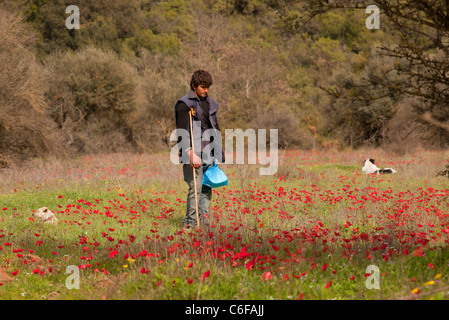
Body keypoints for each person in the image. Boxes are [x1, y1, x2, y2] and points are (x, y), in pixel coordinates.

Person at [174, 70, 224, 229]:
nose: (206, 90)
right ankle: (190, 223)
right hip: (193, 152)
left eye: (208, 87)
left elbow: (215, 128)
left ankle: (203, 220)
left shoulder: (212, 104)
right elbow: (181, 131)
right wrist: (189, 153)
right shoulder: (184, 104)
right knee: (194, 188)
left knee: (207, 187)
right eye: (203, 87)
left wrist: (217, 153)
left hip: (209, 151)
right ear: (194, 86)